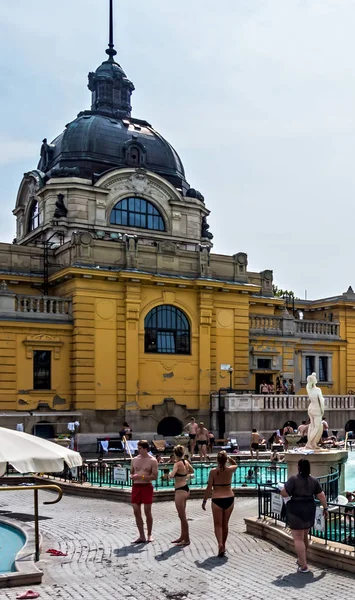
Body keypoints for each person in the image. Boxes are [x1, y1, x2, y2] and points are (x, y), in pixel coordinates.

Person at [281, 458, 328, 573]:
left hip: (296, 508)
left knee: (297, 538)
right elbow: (321, 495)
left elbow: (285, 493)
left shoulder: (293, 479)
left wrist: (281, 490)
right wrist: (325, 508)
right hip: (309, 508)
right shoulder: (314, 480)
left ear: (298, 467)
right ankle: (301, 560)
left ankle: (304, 566)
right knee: (304, 536)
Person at [202, 451, 239, 556]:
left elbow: (209, 488)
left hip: (217, 499)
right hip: (229, 498)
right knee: (225, 524)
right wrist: (230, 459)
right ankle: (224, 545)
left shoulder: (213, 472)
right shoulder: (230, 470)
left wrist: (204, 501)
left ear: (217, 460)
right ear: (225, 460)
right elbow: (236, 464)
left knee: (218, 525)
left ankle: (220, 544)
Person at [130, 440, 158, 543]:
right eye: (138, 448)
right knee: (136, 511)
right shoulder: (134, 459)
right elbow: (132, 472)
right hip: (136, 486)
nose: (138, 450)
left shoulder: (152, 460)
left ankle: (149, 534)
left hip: (146, 486)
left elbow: (154, 476)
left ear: (145, 449)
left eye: (140, 449)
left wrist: (141, 476)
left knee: (147, 512)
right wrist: (132, 476)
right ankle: (141, 535)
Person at [169, 445, 194, 546]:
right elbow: (192, 471)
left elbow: (171, 476)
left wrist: (171, 473)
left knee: (183, 516)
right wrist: (185, 474)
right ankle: (182, 536)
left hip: (180, 491)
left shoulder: (177, 464)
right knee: (181, 515)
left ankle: (187, 539)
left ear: (175, 454)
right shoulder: (185, 462)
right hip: (186, 488)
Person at [305, 372, 325, 449]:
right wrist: (322, 410)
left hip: (310, 408)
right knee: (316, 427)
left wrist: (313, 376)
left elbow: (310, 381)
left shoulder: (308, 388)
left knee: (312, 426)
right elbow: (321, 401)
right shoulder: (318, 390)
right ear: (314, 381)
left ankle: (313, 443)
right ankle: (309, 443)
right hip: (317, 410)